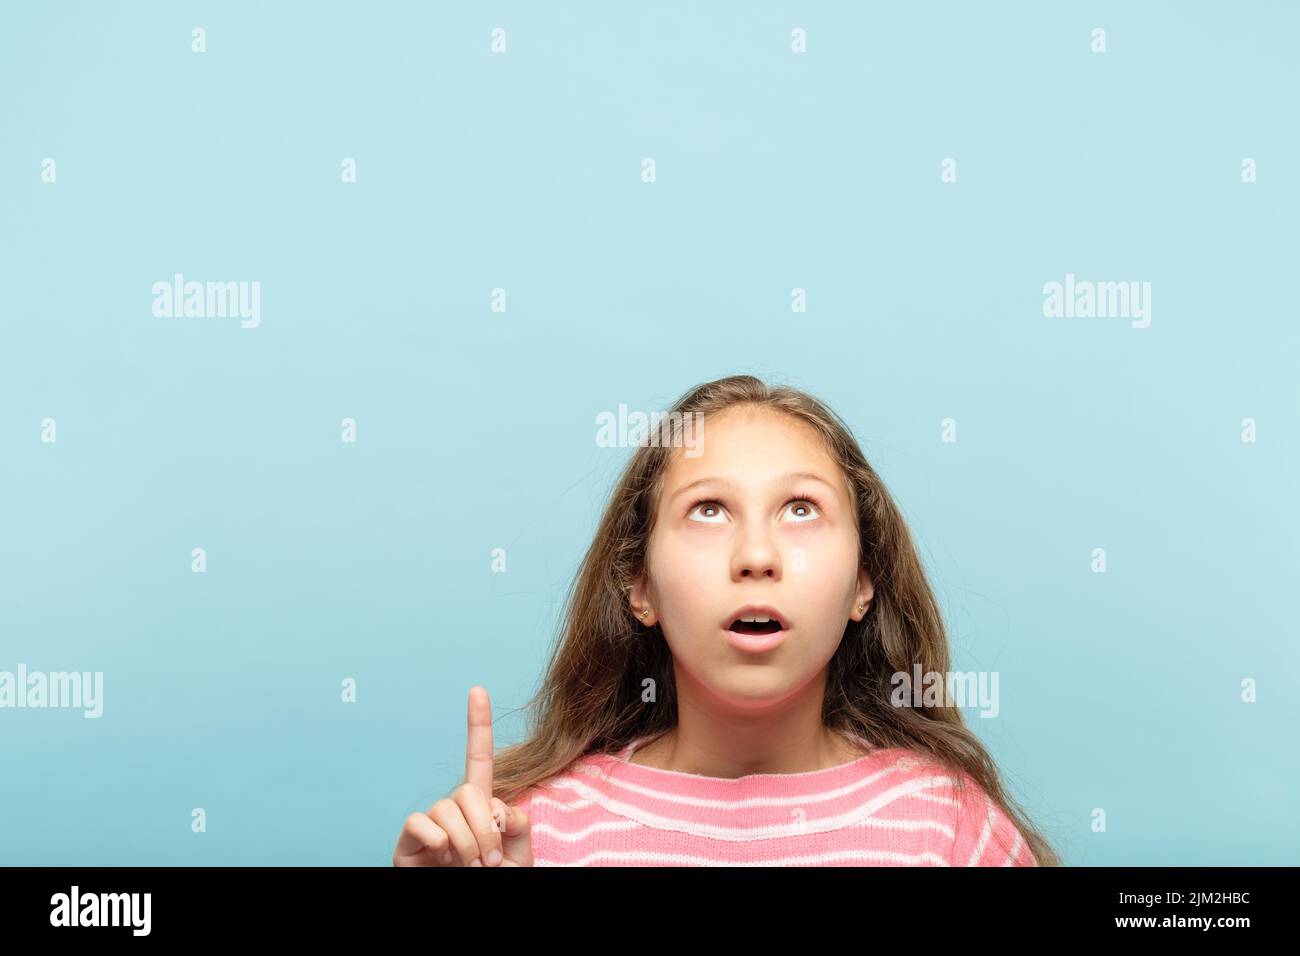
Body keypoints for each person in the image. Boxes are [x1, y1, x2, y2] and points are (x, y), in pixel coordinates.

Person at [393, 375, 1058, 867]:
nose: (757, 557)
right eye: (709, 510)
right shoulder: (532, 837)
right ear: (640, 585)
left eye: (801, 508)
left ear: (863, 583)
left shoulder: (945, 827)